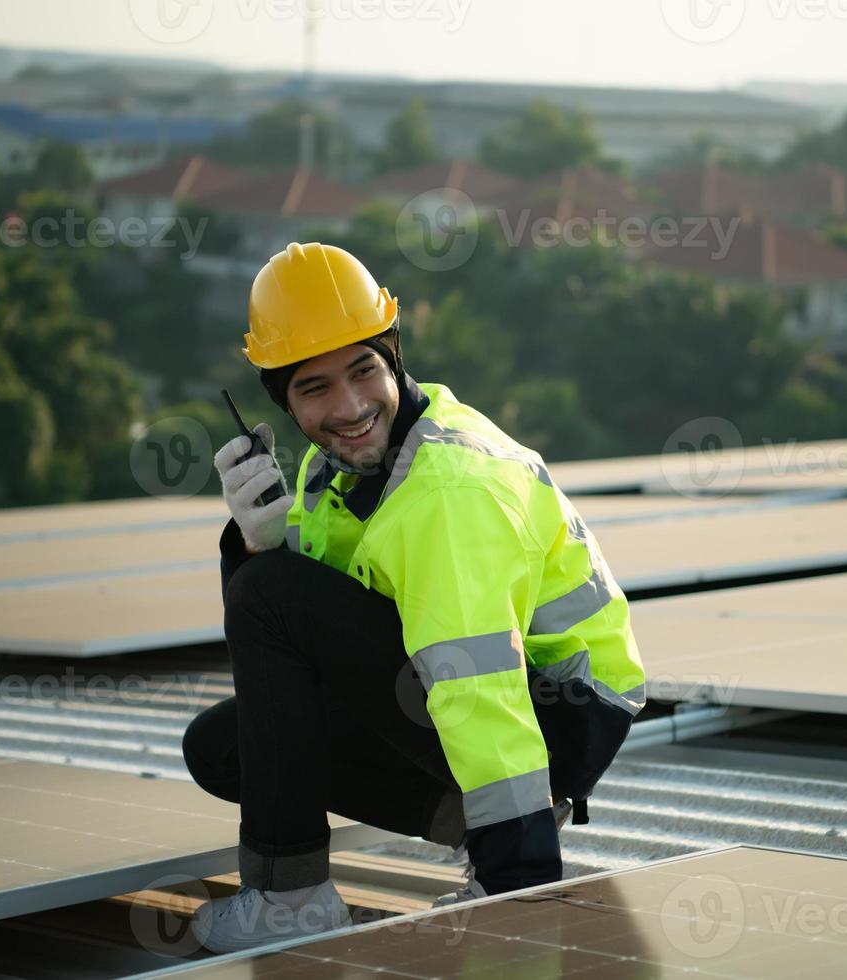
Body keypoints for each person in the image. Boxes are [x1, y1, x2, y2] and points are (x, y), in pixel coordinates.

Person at [181, 241, 646, 953]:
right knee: (222, 747)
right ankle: (467, 813)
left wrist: (516, 883)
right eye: (315, 388)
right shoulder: (330, 470)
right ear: (281, 399)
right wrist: (249, 546)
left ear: (393, 357)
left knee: (271, 594)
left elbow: (477, 681)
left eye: (363, 370)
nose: (350, 407)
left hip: (556, 714)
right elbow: (284, 652)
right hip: (469, 696)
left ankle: (289, 901)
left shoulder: (445, 492)